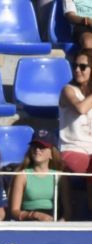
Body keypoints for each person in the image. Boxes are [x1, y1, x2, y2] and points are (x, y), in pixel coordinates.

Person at [9, 128, 71, 222]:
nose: (37, 150)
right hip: (29, 221)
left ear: (52, 153)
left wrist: (59, 225)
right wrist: (34, 215)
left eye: (42, 147)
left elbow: (68, 211)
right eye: (35, 146)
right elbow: (14, 211)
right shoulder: (22, 175)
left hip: (52, 221)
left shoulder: (60, 176)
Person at [59, 48, 92, 214]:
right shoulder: (68, 90)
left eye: (83, 66)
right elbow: (81, 108)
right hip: (72, 149)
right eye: (75, 66)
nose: (77, 70)